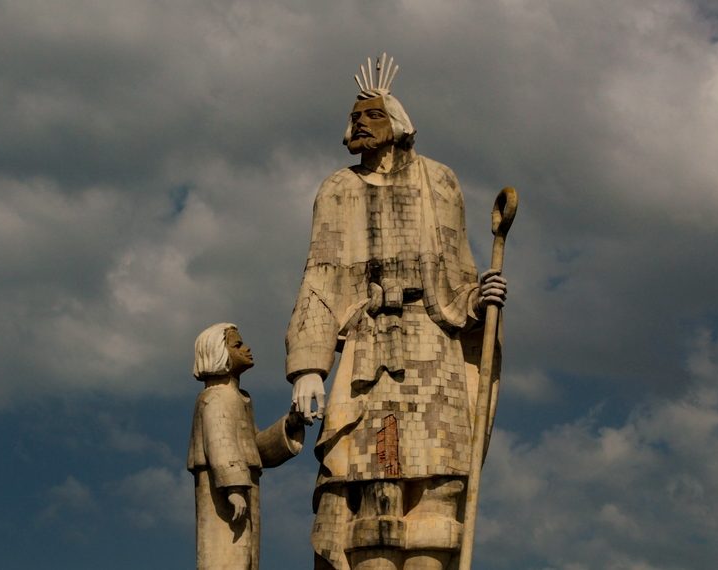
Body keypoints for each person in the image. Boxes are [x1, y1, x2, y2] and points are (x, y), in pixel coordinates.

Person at [287, 55, 507, 570]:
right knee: (371, 487)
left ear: (398, 124)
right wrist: (309, 368)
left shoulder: (439, 181)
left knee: (439, 482)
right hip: (368, 350)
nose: (360, 122)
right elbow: (319, 276)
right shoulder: (338, 189)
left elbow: (457, 271)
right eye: (355, 115)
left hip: (433, 345)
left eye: (373, 114)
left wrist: (480, 298)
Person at [188, 323, 304, 570]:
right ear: (219, 353)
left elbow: (255, 447)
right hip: (227, 490)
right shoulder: (215, 397)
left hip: (244, 485)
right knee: (226, 558)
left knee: (245, 558)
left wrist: (290, 425)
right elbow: (220, 445)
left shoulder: (240, 398)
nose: (247, 348)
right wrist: (233, 488)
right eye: (237, 345)